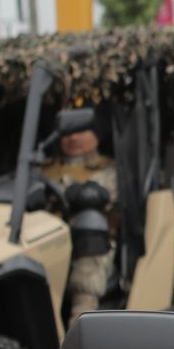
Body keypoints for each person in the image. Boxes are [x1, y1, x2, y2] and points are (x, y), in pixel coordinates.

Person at [40, 120, 119, 321]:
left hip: (92, 246)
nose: (74, 138)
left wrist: (80, 194)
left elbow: (107, 198)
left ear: (96, 135)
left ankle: (82, 316)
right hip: (47, 240)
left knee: (90, 223)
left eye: (81, 131)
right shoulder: (44, 170)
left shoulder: (108, 169)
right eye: (68, 133)